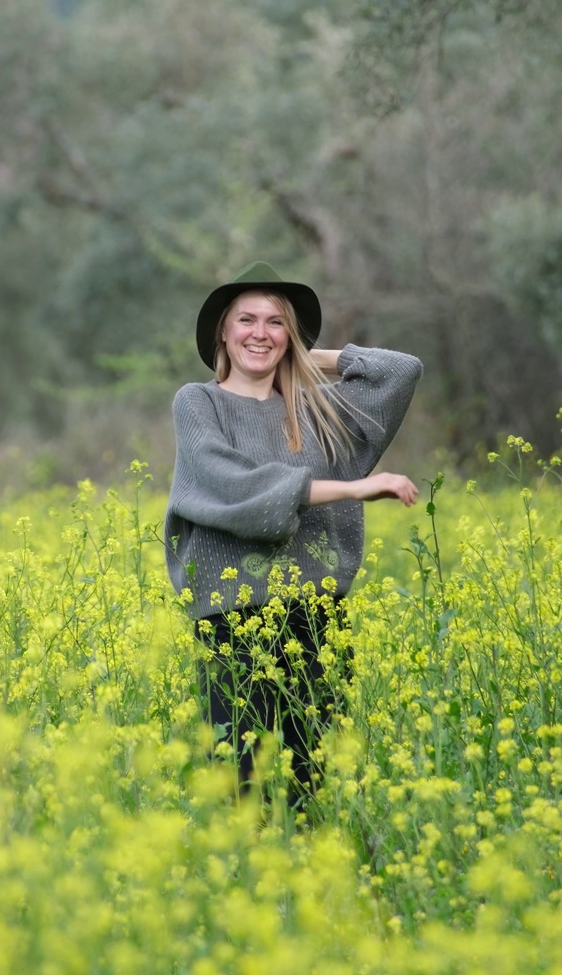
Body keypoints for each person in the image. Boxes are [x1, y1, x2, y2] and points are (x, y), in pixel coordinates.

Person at [164, 261, 423, 803]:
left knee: (311, 788)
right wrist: (352, 488)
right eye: (247, 320)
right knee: (242, 788)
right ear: (222, 331)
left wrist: (307, 358)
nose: (260, 333)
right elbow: (237, 489)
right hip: (234, 621)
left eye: (277, 323)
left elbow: (401, 371)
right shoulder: (199, 403)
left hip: (317, 619)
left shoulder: (319, 411)